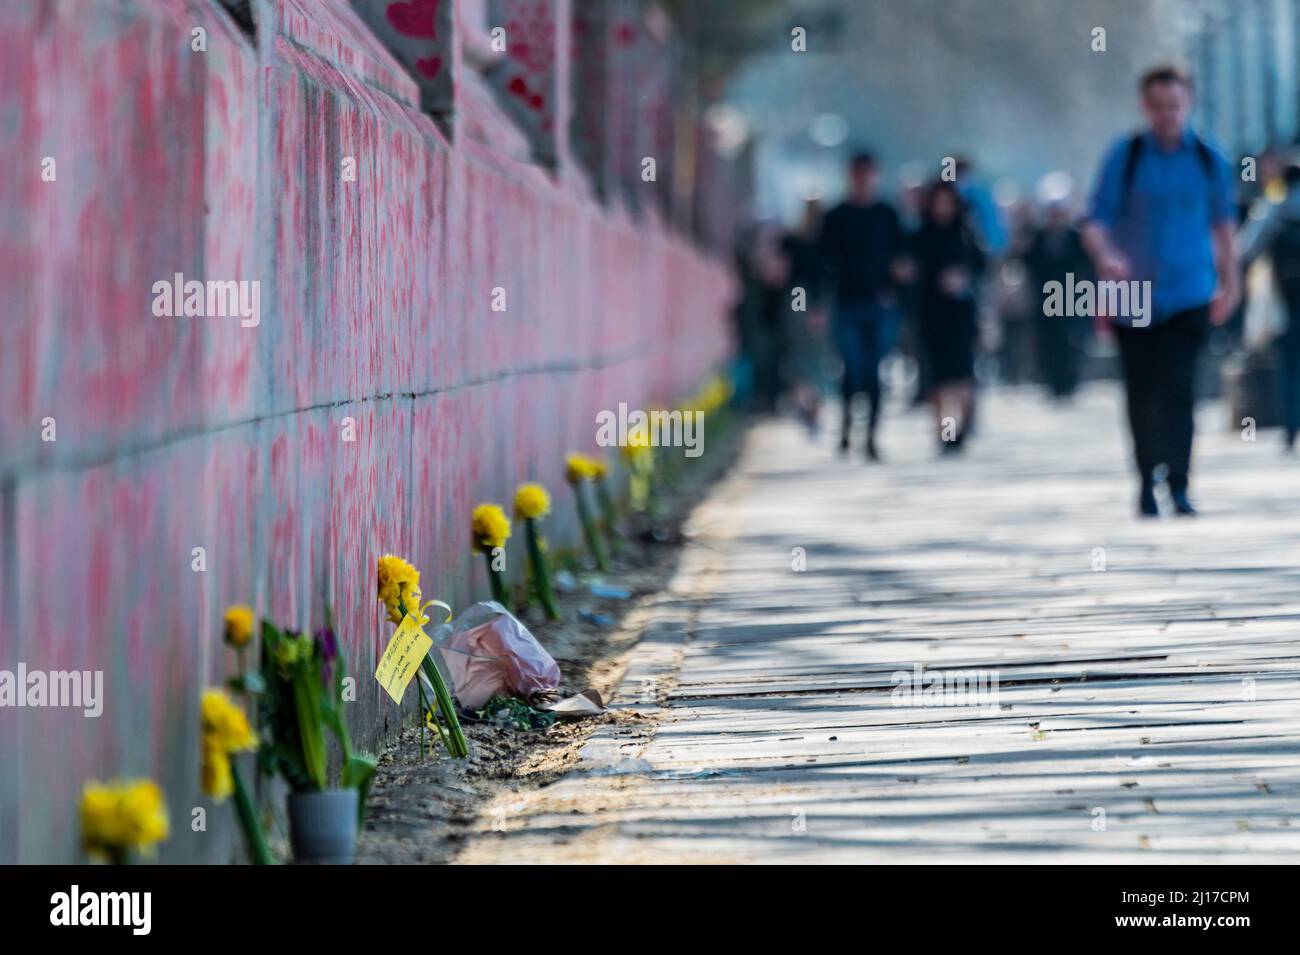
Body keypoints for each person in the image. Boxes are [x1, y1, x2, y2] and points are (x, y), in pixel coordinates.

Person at [1081, 64, 1240, 517]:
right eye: (1157, 106)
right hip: (1132, 292)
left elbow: (1224, 227)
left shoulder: (1211, 160)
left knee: (1180, 388)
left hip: (1190, 291)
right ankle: (1145, 480)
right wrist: (1106, 255)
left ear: (1188, 104)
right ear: (1144, 107)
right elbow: (1095, 220)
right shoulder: (1125, 156)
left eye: (1174, 105)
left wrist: (1231, 283)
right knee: (1140, 391)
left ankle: (1181, 483)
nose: (1166, 115)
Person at [819, 151, 909, 460]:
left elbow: (903, 258)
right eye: (858, 174)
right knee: (851, 367)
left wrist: (898, 283)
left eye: (868, 174)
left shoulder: (888, 214)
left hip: (880, 305)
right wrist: (816, 304)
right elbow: (823, 262)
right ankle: (845, 426)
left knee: (874, 370)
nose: (863, 180)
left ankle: (870, 435)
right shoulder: (836, 216)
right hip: (846, 304)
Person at [909, 179, 985, 452]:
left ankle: (963, 428)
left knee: (963, 374)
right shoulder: (921, 236)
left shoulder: (964, 234)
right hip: (931, 314)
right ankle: (944, 431)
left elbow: (981, 266)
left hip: (961, 314)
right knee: (939, 378)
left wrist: (962, 279)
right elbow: (908, 271)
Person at [1238, 162, 1300, 450]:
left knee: (1288, 367)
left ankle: (1290, 428)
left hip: (1285, 302)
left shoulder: (1273, 211)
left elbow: (1245, 249)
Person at [1025, 199, 1093, 398]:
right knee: (1049, 341)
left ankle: (1070, 381)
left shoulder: (1075, 237)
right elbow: (1029, 262)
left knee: (1074, 340)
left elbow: (1086, 266)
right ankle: (1053, 381)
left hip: (1072, 296)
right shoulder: (1039, 236)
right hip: (1046, 298)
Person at [782, 198, 830, 434]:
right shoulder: (796, 240)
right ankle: (806, 403)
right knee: (808, 354)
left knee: (810, 355)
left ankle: (808, 404)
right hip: (804, 298)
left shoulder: (815, 240)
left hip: (804, 298)